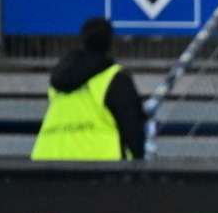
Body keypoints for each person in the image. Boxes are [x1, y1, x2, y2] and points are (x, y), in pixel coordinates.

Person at [32, 17, 146, 161]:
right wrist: (139, 162)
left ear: (83, 40)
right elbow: (132, 126)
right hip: (99, 163)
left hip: (48, 158)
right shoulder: (114, 78)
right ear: (110, 42)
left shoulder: (60, 79)